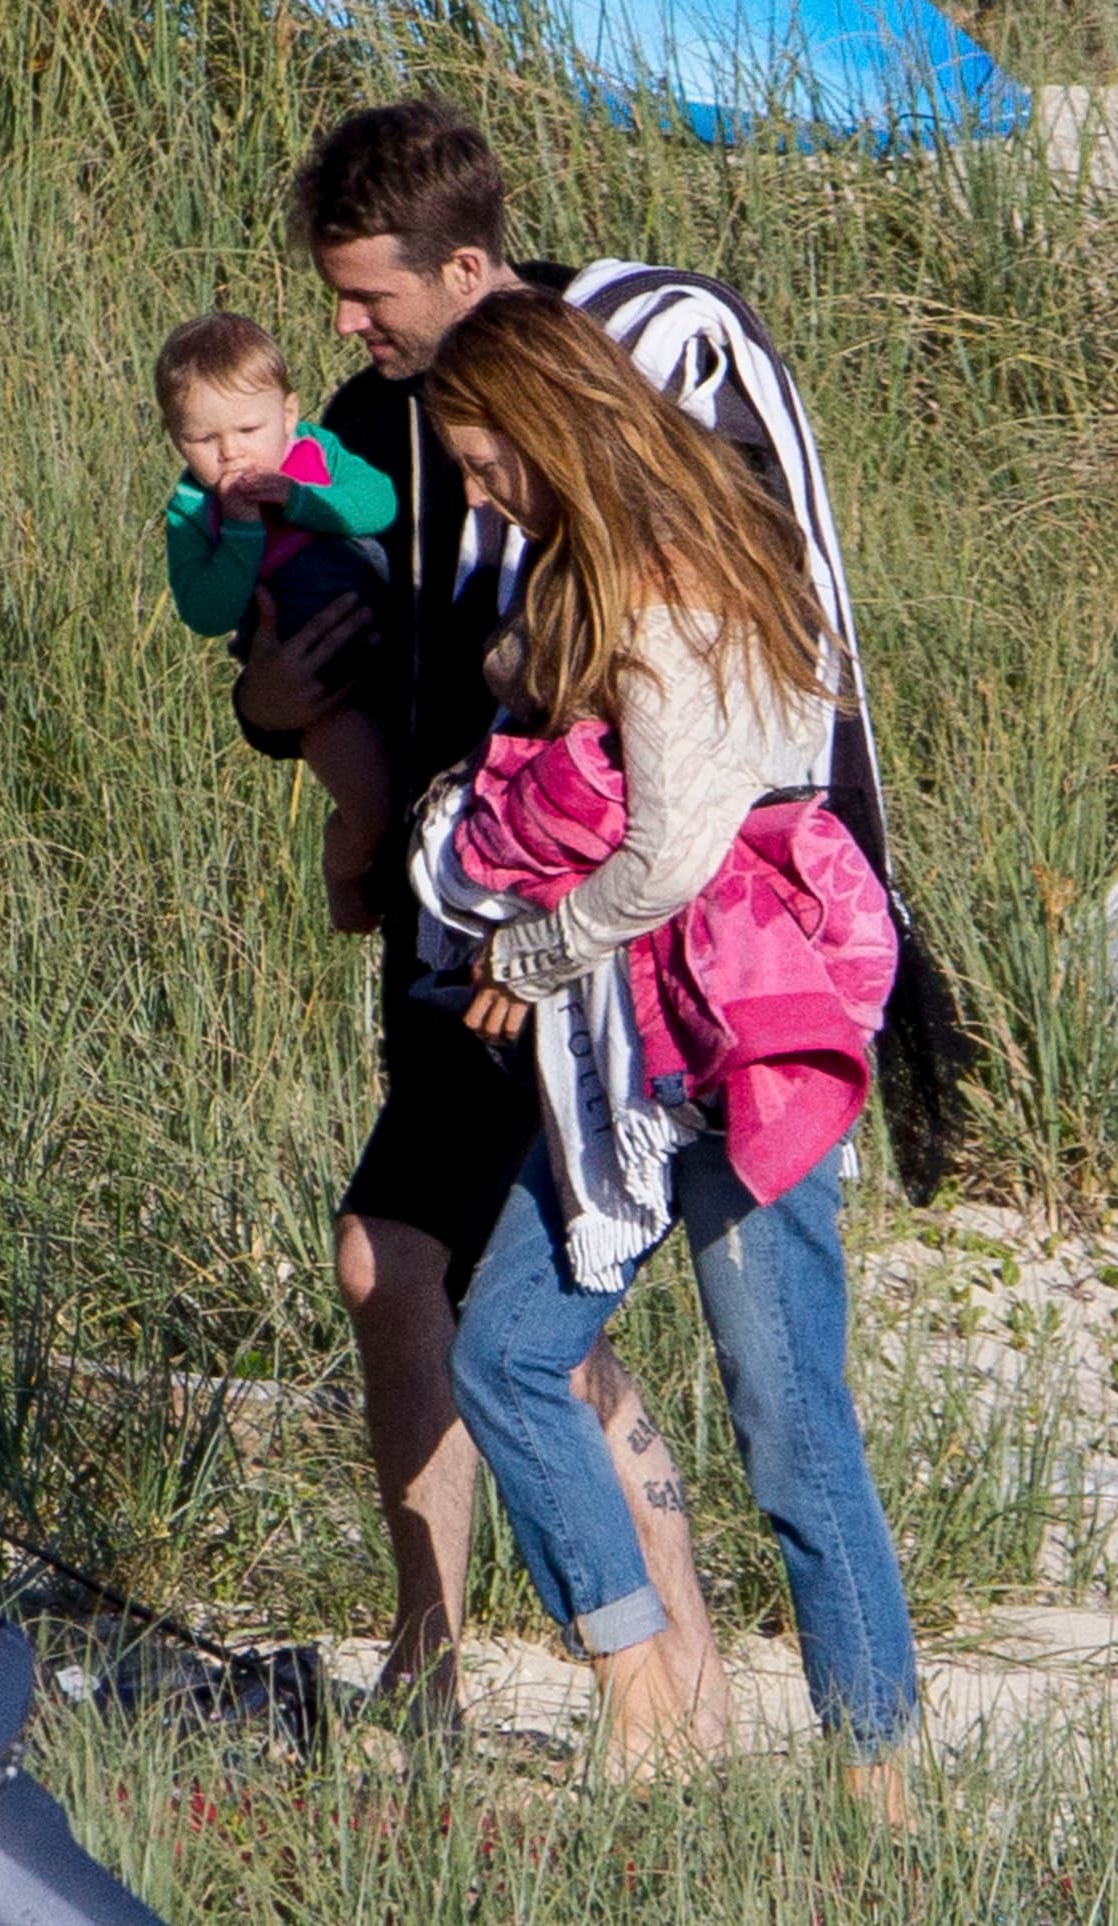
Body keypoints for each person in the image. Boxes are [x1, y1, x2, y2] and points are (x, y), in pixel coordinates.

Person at [230, 98, 919, 1755]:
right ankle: (527, 1673)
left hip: (694, 991)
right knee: (459, 1303)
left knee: (758, 1397)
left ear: (467, 272)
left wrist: (841, 934)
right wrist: (274, 710)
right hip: (512, 965)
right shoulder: (369, 425)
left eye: (368, 293)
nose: (344, 325)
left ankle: (775, 1738)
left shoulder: (666, 359)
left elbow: (757, 713)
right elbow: (323, 651)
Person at [416, 289, 917, 1794]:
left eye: (492, 466)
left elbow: (682, 846)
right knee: (508, 1351)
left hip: (726, 1036)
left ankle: (880, 1779)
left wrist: (531, 941)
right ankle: (641, 1677)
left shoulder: (661, 581)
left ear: (555, 427)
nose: (486, 497)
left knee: (790, 1421)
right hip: (641, 1048)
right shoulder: (631, 559)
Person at [157, 313, 397, 929]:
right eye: (202, 439)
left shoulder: (319, 451)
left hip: (395, 643)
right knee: (373, 806)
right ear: (173, 437)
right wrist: (239, 528)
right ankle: (343, 873)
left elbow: (379, 505)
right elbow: (205, 612)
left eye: (248, 428)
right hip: (320, 690)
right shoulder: (192, 512)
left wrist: (297, 499)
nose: (231, 451)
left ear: (289, 414)